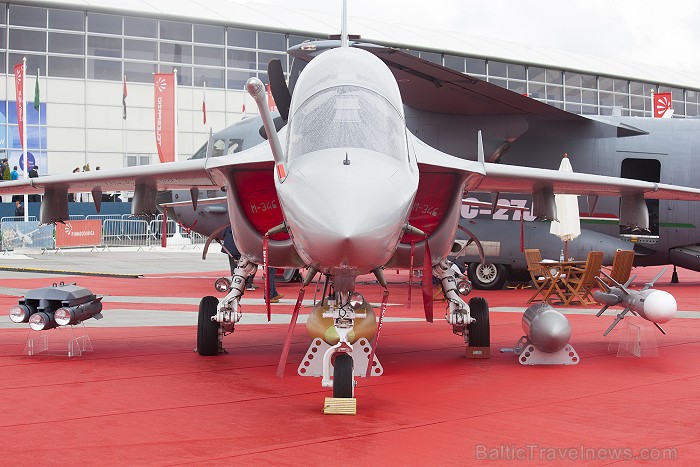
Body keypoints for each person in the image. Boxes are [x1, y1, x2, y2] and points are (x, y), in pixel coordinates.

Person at [221, 226, 255, 291]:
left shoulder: (229, 225)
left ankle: (235, 284)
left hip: (230, 250)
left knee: (234, 267)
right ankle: (248, 284)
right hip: (241, 249)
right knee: (250, 266)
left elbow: (224, 235)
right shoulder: (244, 226)